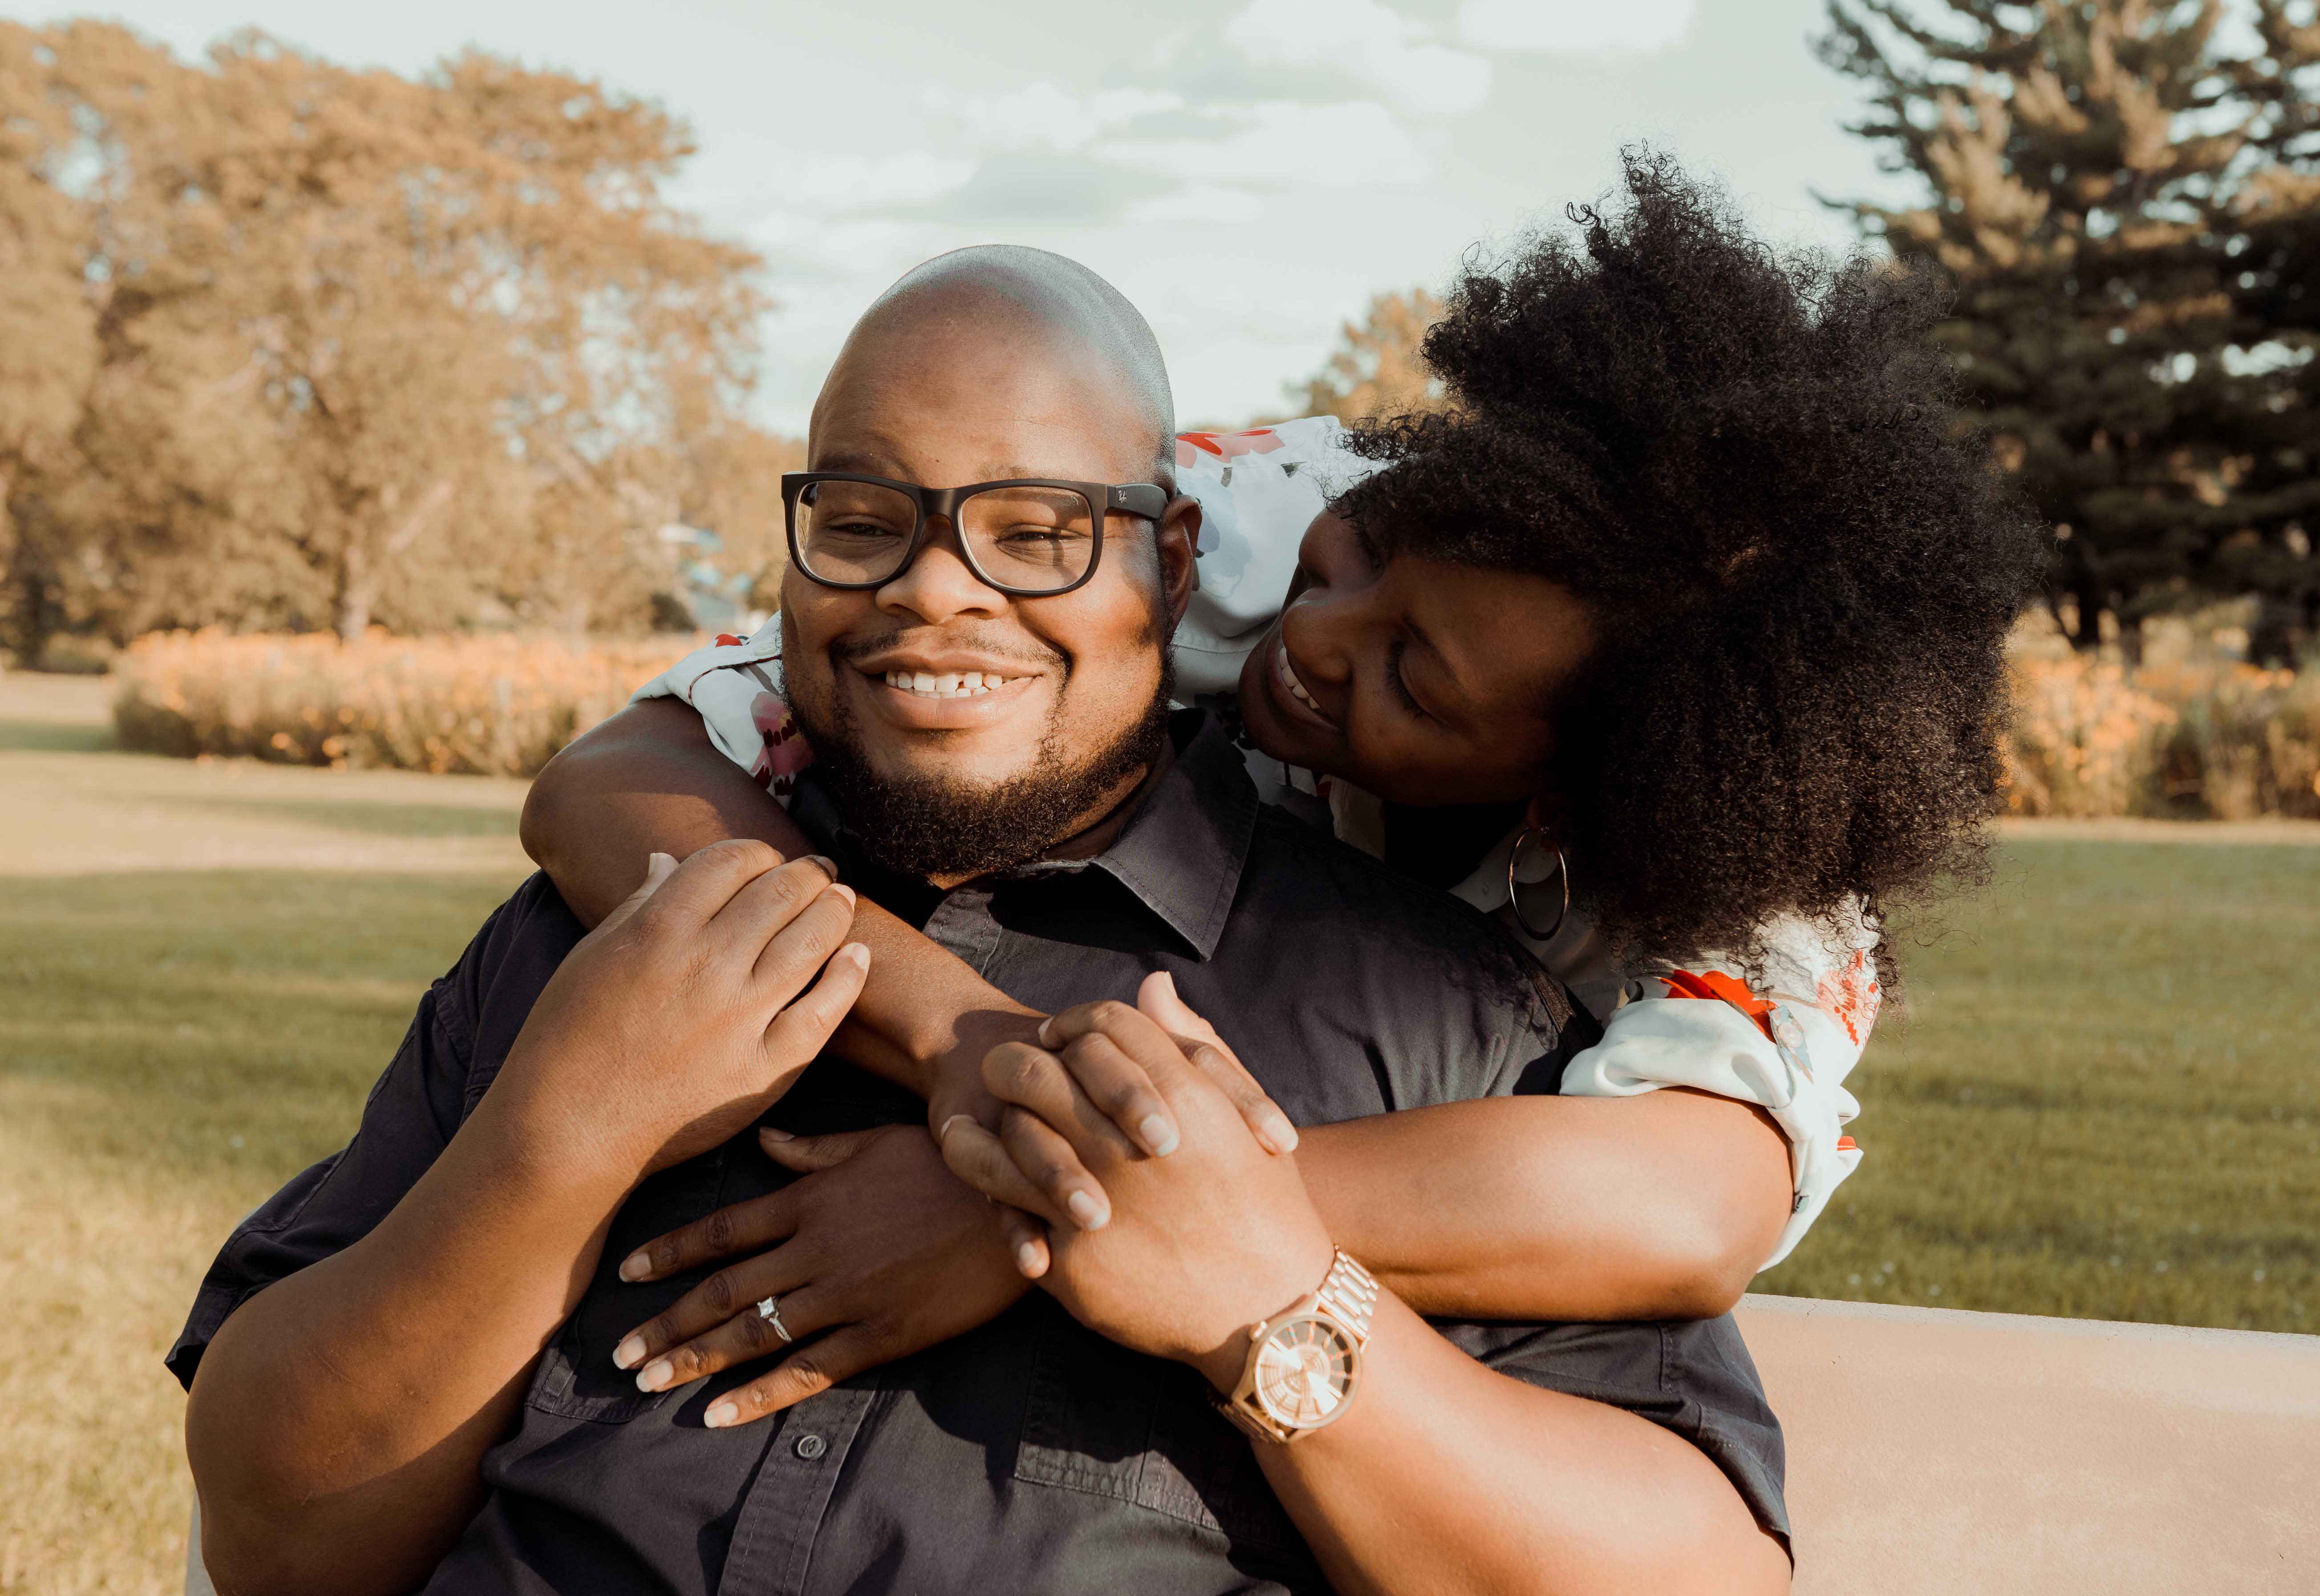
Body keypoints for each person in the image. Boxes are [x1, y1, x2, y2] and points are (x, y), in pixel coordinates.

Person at [174, 242, 1793, 1595]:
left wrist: (1274, 1299)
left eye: (1035, 533)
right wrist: (559, 1142)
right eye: (867, 523)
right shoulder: (613, 923)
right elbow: (272, 1539)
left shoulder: (1446, 1021)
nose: (938, 591)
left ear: (1166, 566)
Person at [516, 154, 2038, 1418]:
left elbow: (1684, 1206)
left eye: (1411, 682)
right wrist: (966, 1040)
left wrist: (1045, 1210)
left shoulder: (1749, 900)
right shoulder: (1252, 506)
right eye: (1357, 564)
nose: (1309, 639)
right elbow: (616, 775)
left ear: (1561, 796)